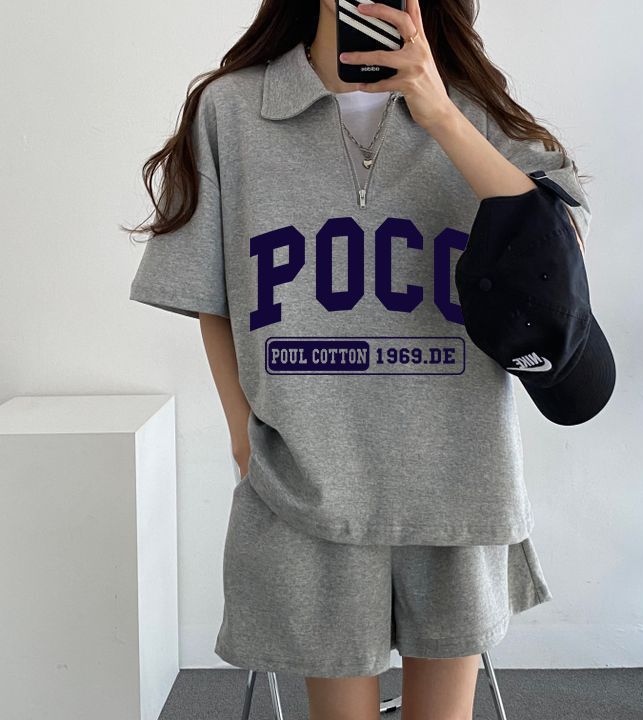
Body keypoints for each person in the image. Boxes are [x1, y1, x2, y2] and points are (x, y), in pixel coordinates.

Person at [124, 0, 591, 717]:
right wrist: (243, 433)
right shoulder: (233, 110)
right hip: (308, 476)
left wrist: (440, 113)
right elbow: (207, 292)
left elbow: (559, 256)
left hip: (457, 469)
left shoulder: (475, 112)